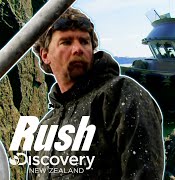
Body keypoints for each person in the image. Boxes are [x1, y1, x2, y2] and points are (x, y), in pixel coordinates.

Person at [29, 7, 164, 179]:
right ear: (45, 54)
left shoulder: (120, 94)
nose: (78, 49)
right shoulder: (43, 129)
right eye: (67, 42)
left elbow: (145, 173)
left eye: (85, 42)